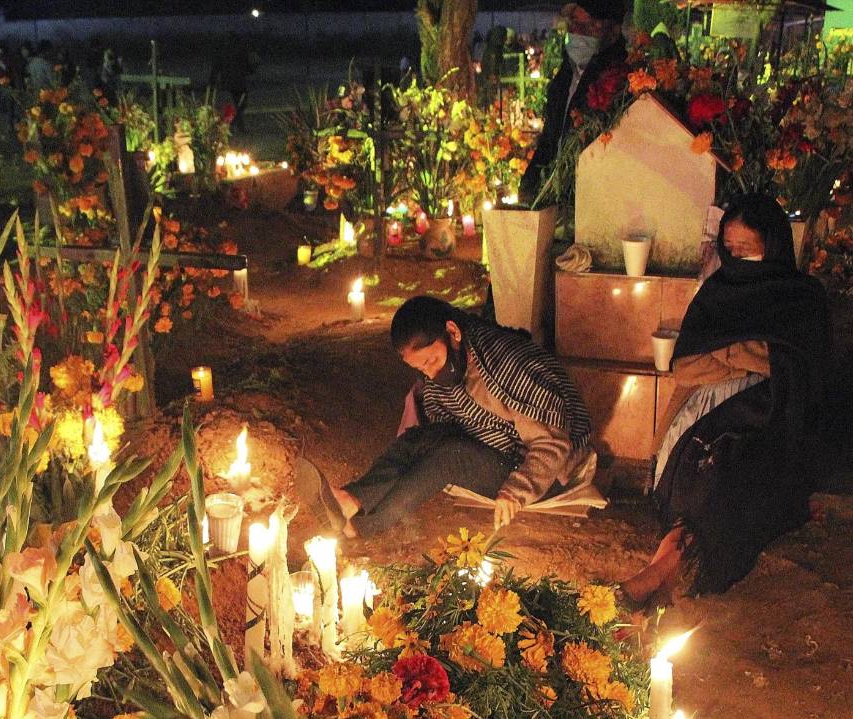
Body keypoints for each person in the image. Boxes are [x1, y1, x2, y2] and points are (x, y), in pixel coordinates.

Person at [617, 195, 830, 606]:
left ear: (772, 247)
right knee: (694, 472)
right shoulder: (718, 291)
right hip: (706, 407)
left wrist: (730, 357)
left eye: (746, 250)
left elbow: (801, 367)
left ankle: (662, 568)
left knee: (728, 478)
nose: (735, 259)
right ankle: (663, 566)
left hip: (774, 413)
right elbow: (688, 367)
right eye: (728, 250)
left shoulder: (802, 298)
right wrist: (753, 355)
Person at [296, 297, 596, 538]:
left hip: (544, 471)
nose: (429, 373)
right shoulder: (447, 365)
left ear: (453, 332)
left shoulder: (506, 363)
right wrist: (426, 441)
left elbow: (552, 444)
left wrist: (516, 491)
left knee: (449, 457)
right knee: (420, 439)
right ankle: (351, 499)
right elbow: (439, 422)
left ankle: (361, 527)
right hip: (498, 450)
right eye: (421, 368)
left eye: (432, 361)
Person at [519, 0, 628, 203]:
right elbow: (551, 139)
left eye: (585, 26)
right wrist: (530, 183)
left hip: (593, 201)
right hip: (559, 203)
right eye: (573, 24)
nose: (576, 32)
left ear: (611, 30)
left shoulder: (619, 82)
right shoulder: (564, 77)